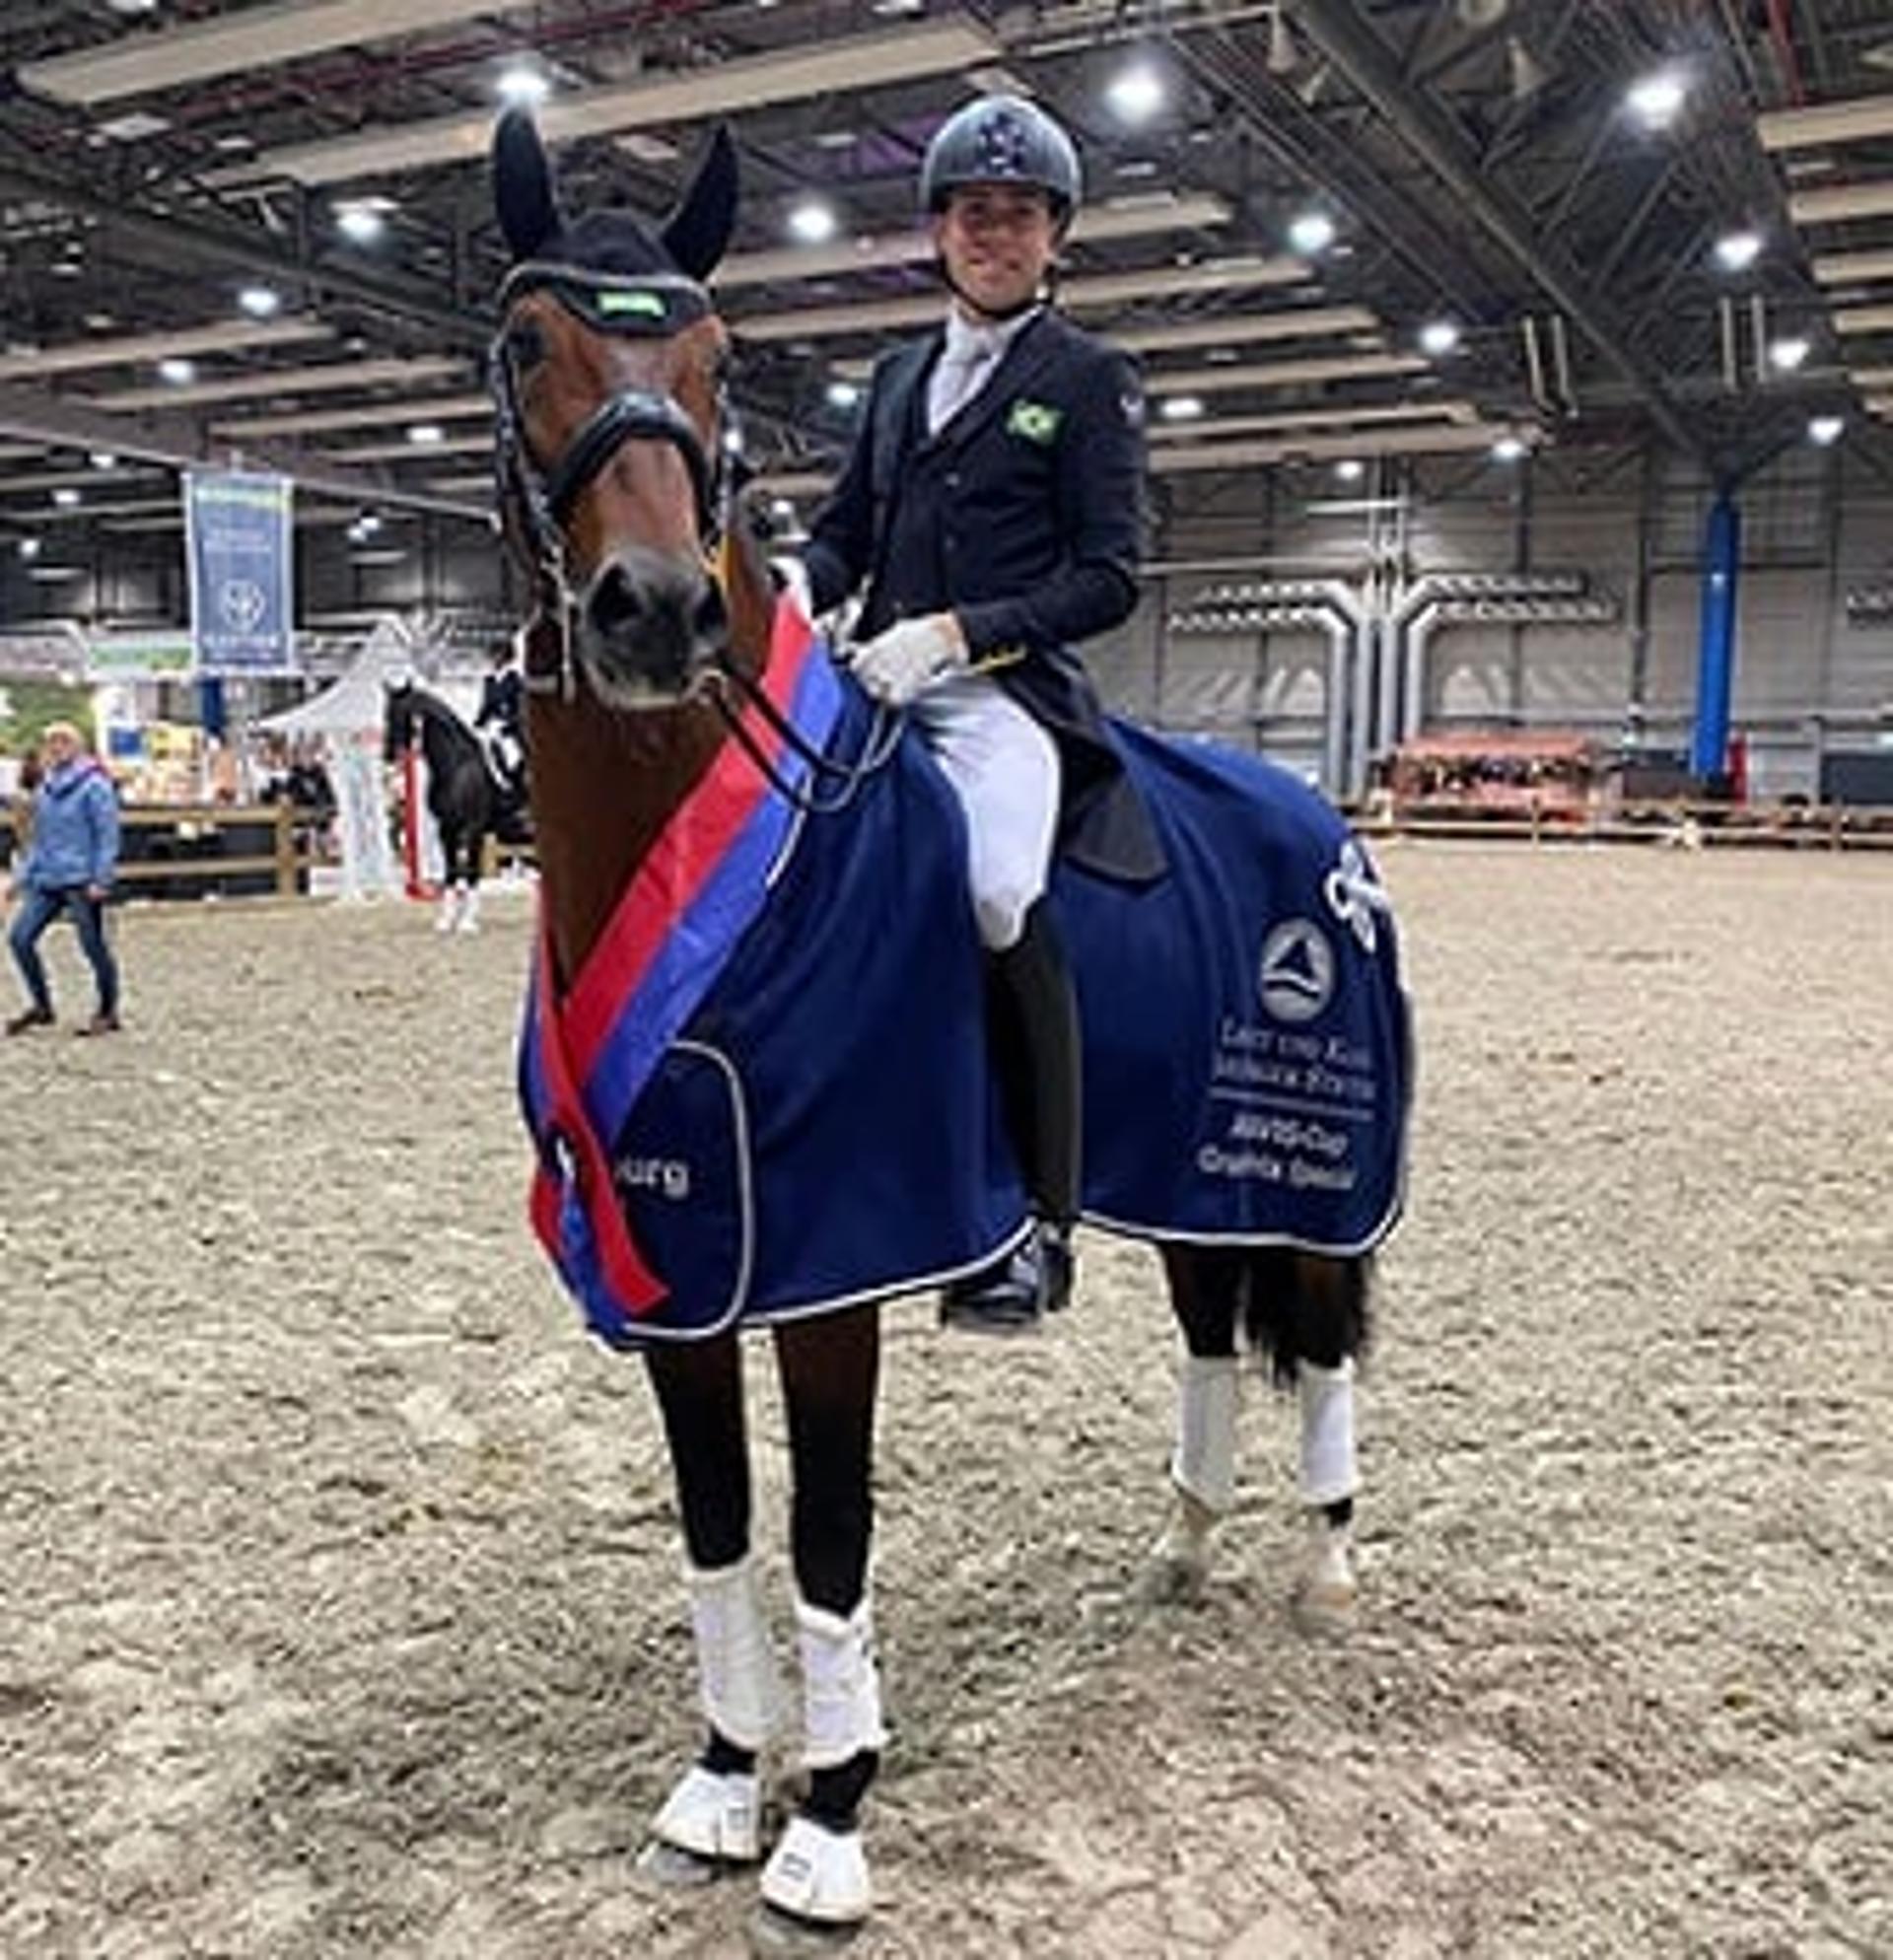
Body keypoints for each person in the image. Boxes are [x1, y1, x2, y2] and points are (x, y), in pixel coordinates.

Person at [795, 94, 1160, 1332]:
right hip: (874, 684)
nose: (990, 234)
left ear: (1054, 235)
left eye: (1015, 216)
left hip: (999, 696)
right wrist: (799, 583)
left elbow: (1109, 575)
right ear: (938, 231)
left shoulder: (1088, 378)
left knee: (1000, 892)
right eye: (970, 213)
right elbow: (848, 532)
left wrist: (954, 634)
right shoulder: (897, 377)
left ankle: (1039, 1224)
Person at [5, 722, 122, 1037]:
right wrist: (18, 880)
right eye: (50, 742)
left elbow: (107, 835)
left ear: (77, 746)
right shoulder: (46, 788)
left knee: (93, 947)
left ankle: (108, 1009)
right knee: (19, 939)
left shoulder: (96, 785)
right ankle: (42, 1006)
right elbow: (40, 841)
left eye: (62, 741)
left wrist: (101, 877)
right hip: (47, 878)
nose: (55, 747)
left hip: (82, 879)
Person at [474, 639, 527, 800]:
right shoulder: (489, 681)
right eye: (491, 656)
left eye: (496, 656)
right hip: (493, 726)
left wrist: (509, 724)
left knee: (511, 753)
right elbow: (486, 706)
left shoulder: (515, 680)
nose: (493, 660)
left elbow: (521, 708)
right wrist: (478, 722)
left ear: (506, 658)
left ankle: (515, 787)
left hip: (512, 727)